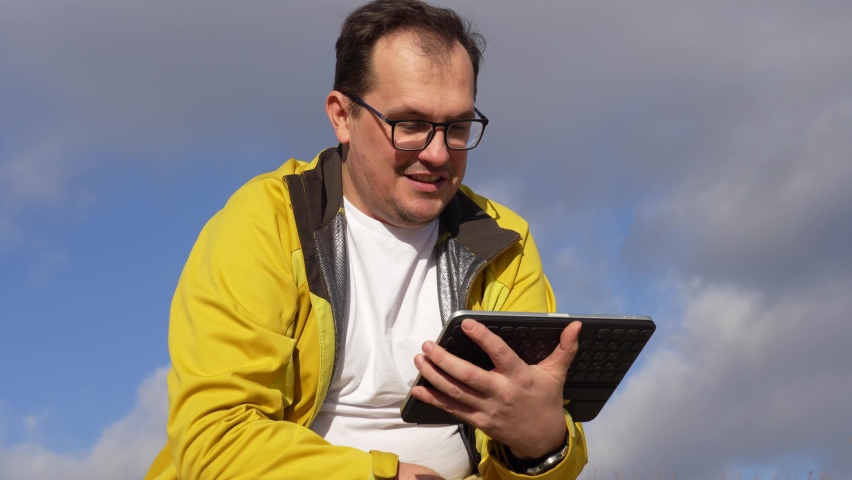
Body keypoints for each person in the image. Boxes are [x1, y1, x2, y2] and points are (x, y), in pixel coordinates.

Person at [144, 1, 587, 479]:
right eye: (410, 125)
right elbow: (215, 441)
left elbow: (541, 444)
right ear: (342, 116)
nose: (438, 153)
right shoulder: (265, 223)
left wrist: (542, 445)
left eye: (457, 127)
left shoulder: (506, 244)